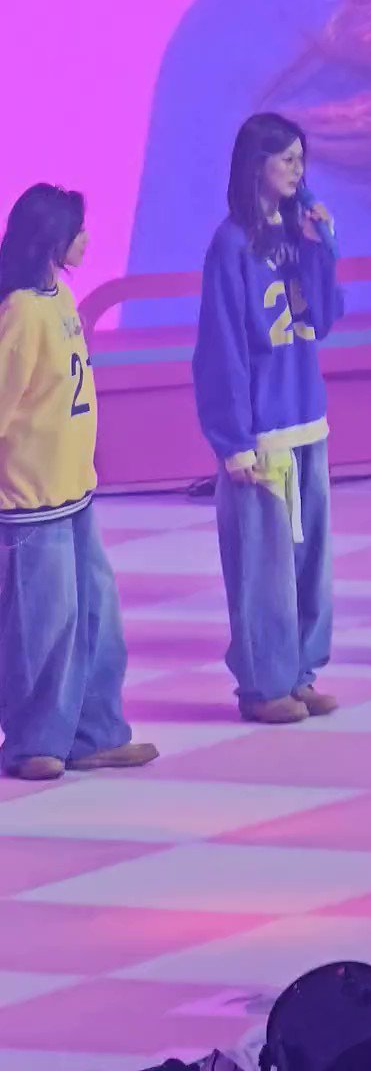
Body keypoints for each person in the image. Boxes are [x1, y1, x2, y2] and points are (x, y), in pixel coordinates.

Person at [0, 184, 158, 780]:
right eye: (78, 230)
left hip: (74, 493)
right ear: (51, 240)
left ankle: (93, 733)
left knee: (95, 619)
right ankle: (33, 743)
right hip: (31, 502)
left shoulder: (61, 297)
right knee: (42, 629)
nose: (88, 239)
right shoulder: (21, 312)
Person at [193, 113, 342, 724]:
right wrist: (234, 441)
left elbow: (324, 318)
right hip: (261, 430)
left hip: (307, 415)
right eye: (286, 159)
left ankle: (300, 671)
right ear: (256, 165)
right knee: (264, 565)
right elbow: (222, 346)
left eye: (302, 158)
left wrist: (320, 246)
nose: (298, 169)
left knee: (310, 560)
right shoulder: (230, 244)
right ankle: (263, 683)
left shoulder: (298, 232)